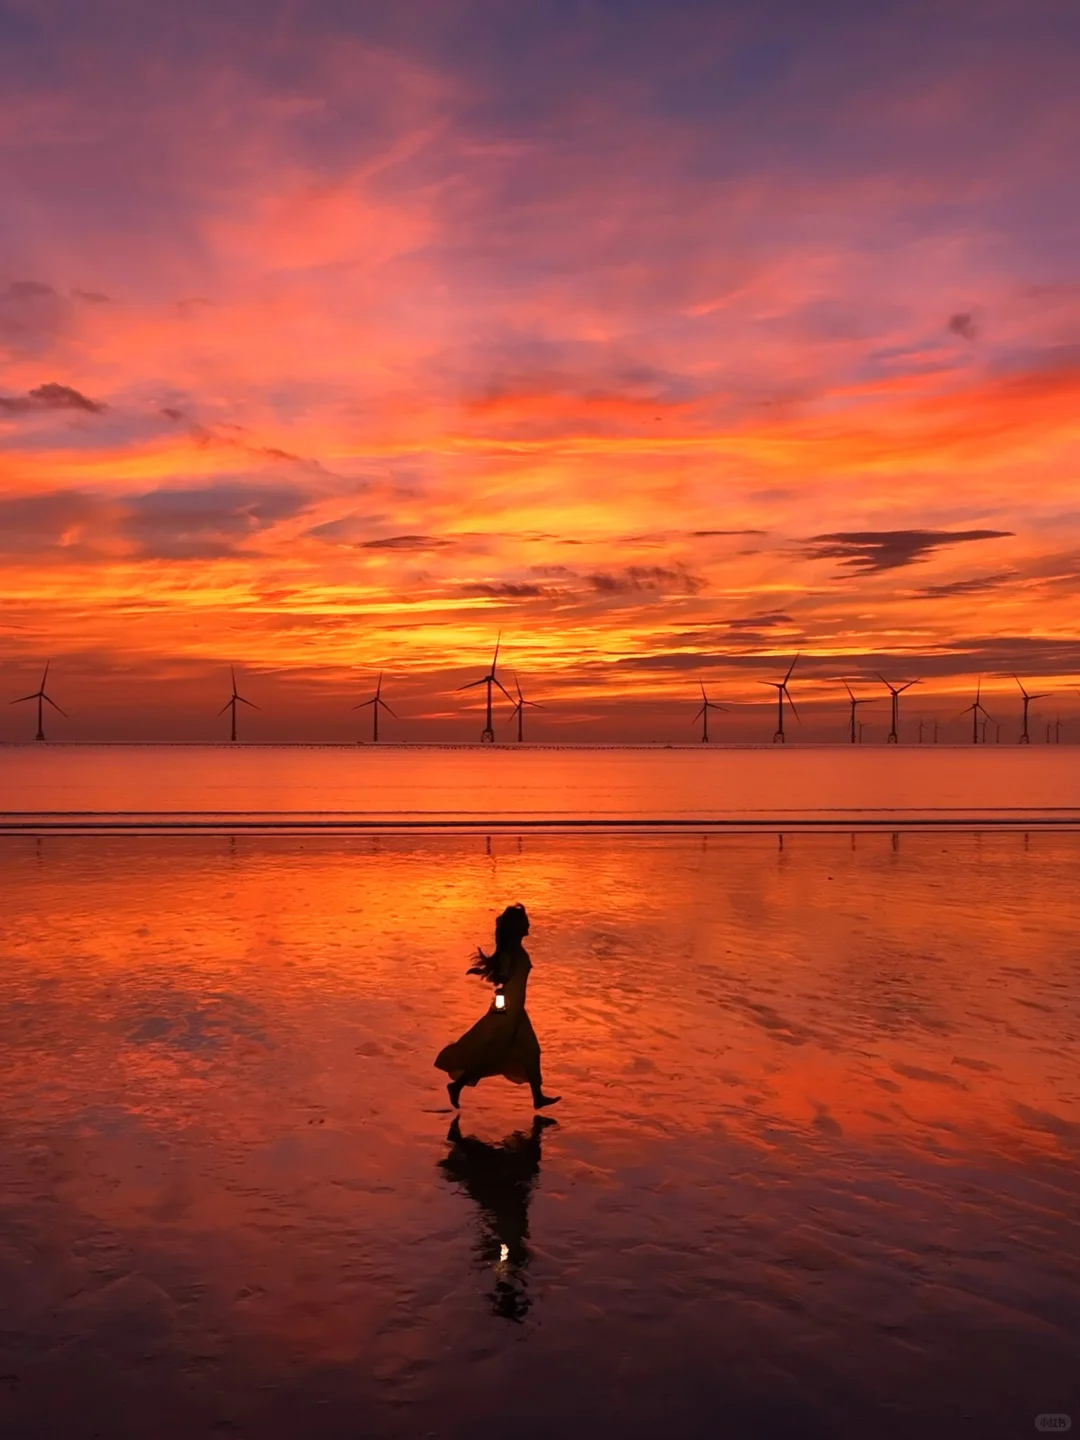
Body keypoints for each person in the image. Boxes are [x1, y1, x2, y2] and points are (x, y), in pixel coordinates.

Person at [434, 902, 560, 1110]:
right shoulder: (511, 952)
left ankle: (537, 1097)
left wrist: (490, 972)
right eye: (525, 922)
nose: (529, 924)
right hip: (507, 1013)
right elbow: (503, 976)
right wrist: (493, 975)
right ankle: (457, 1086)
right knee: (491, 1054)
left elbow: (502, 973)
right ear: (517, 926)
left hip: (517, 1011)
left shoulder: (516, 949)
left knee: (531, 1051)